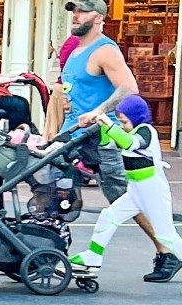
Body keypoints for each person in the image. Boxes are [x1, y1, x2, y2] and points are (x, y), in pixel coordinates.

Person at [70, 95, 181, 282]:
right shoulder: (127, 132)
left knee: (166, 235)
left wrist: (107, 121)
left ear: (136, 118)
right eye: (120, 122)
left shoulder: (146, 131)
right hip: (136, 191)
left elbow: (130, 143)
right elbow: (111, 142)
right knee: (109, 216)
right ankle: (93, 256)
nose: (122, 125)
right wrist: (101, 125)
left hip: (152, 191)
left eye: (124, 122)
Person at [60, 0, 145, 216]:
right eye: (74, 11)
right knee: (54, 190)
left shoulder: (105, 50)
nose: (75, 16)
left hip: (102, 136)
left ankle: (163, 244)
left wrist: (97, 111)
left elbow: (129, 87)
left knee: (121, 197)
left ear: (98, 18)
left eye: (82, 11)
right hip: (74, 134)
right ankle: (46, 240)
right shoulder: (76, 50)